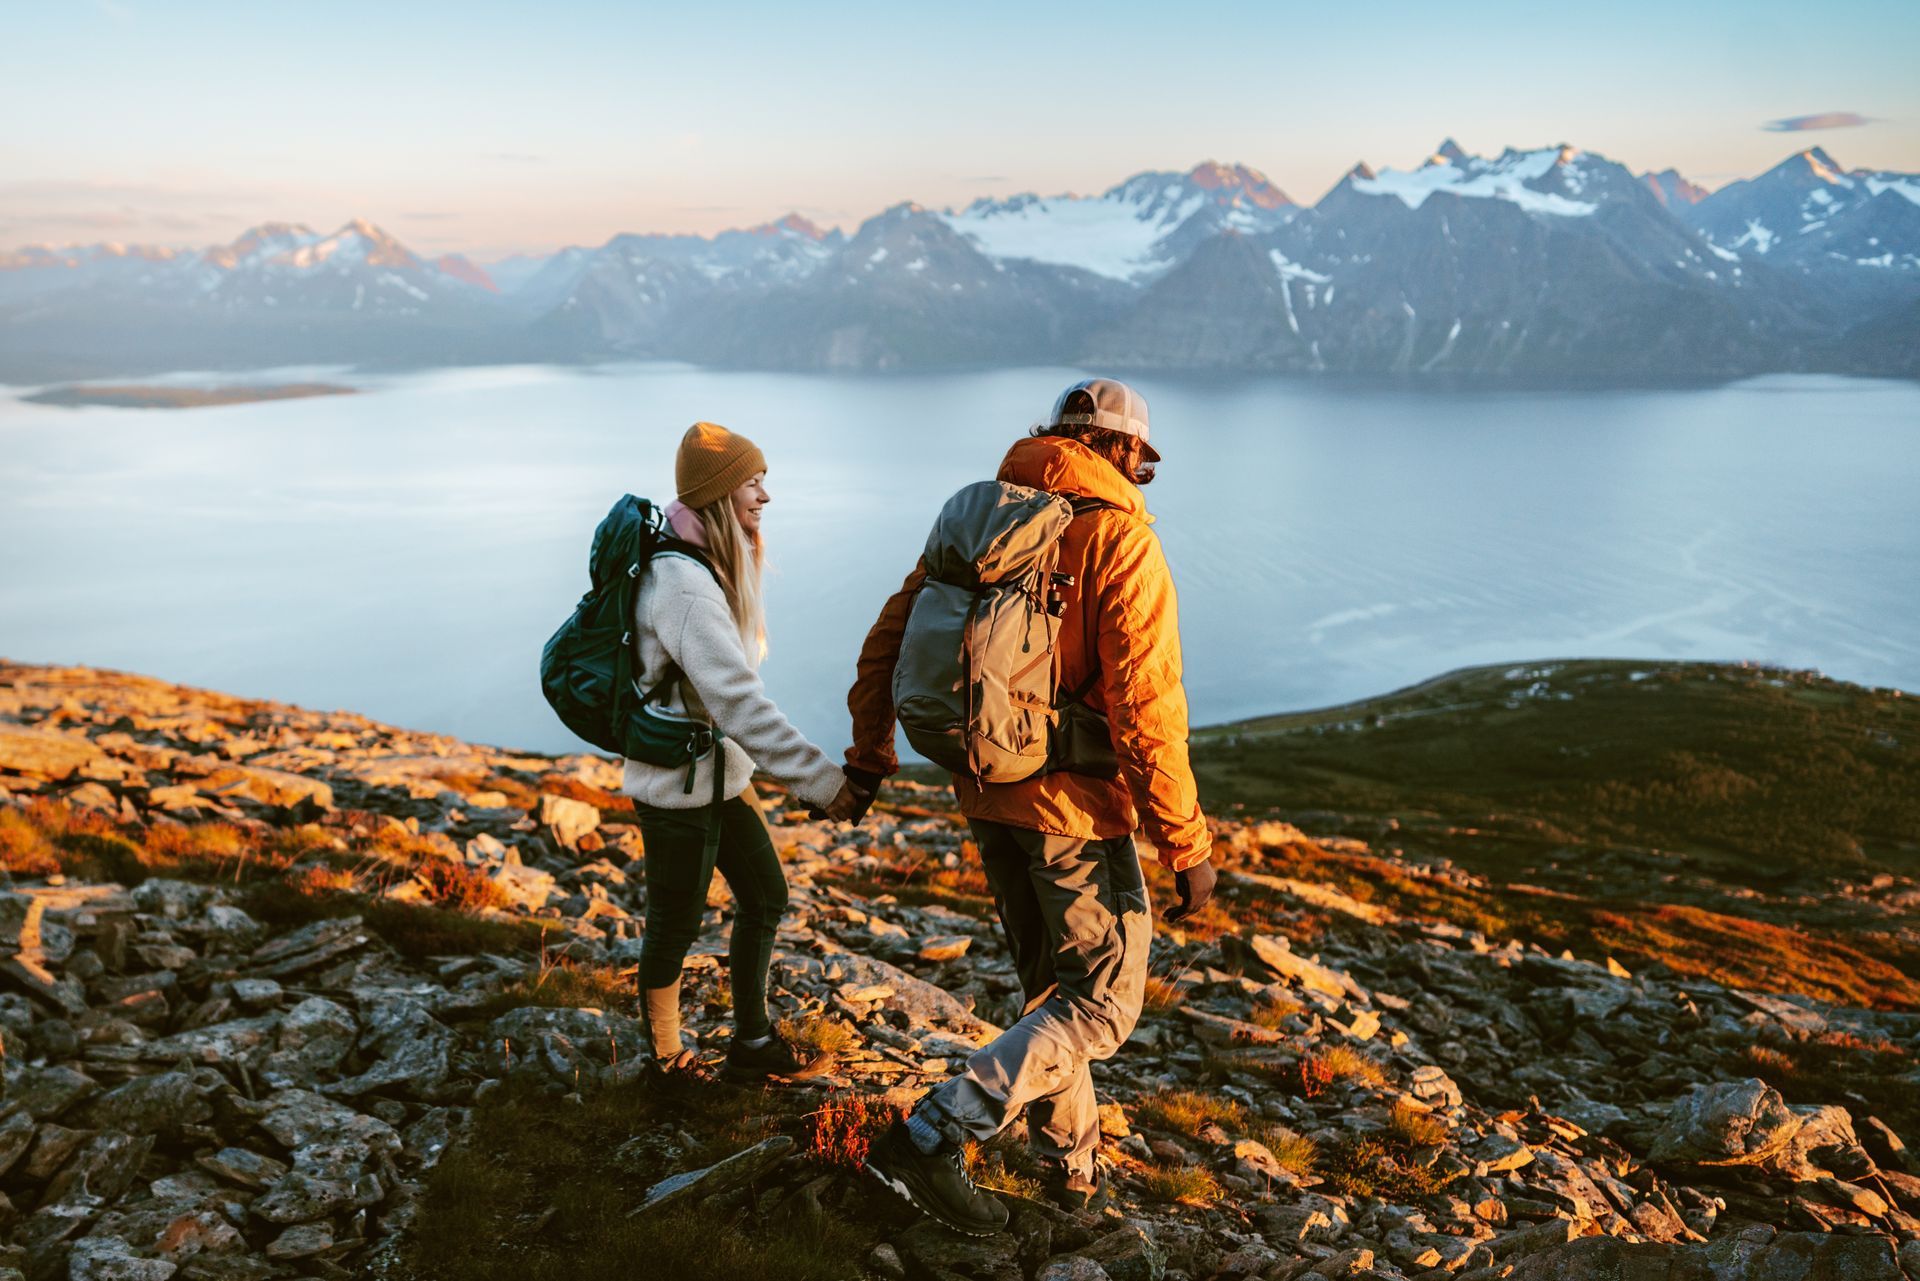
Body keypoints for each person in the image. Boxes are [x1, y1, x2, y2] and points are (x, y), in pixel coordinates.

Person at [847, 378, 1216, 1233]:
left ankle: (1074, 1177)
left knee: (1051, 991)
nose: (1142, 475)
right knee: (1100, 1004)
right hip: (1075, 813)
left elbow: (887, 642)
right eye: (1142, 461)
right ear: (1123, 452)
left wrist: (870, 755)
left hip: (987, 789)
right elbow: (1146, 708)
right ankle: (932, 1134)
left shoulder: (977, 519)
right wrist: (1184, 841)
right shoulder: (1119, 541)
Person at [625, 420, 861, 1084]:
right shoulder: (686, 586)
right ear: (718, 493)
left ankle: (752, 1045)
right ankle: (668, 1062)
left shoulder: (705, 564)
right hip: (675, 786)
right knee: (673, 924)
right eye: (752, 482)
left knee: (765, 894)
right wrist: (822, 781)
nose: (765, 495)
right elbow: (738, 703)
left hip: (718, 774)